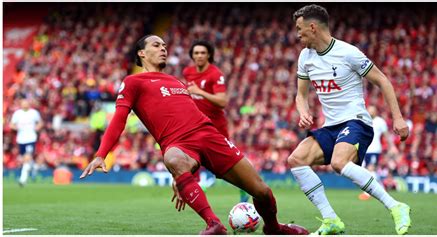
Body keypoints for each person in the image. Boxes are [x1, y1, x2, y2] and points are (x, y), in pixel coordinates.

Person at [79, 34, 308, 235]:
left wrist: (181, 179)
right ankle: (214, 224)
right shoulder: (132, 82)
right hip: (178, 143)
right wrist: (101, 153)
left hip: (209, 135)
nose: (163, 49)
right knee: (173, 159)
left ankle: (274, 228)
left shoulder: (176, 80)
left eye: (165, 46)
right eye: (157, 45)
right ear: (141, 53)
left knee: (262, 191)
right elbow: (119, 118)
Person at [287, 4, 411, 235]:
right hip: (331, 126)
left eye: (300, 28)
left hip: (357, 122)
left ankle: (396, 206)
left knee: (339, 162)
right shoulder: (305, 56)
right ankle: (331, 219)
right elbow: (300, 95)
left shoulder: (348, 53)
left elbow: (383, 80)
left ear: (313, 27)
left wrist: (398, 118)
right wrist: (303, 111)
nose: (297, 34)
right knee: (296, 159)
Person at [183, 40, 249, 203]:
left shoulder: (215, 74)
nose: (199, 56)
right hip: (196, 124)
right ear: (191, 55)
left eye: (202, 53)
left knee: (225, 166)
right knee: (191, 153)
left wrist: (199, 91)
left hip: (215, 125)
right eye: (196, 53)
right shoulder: (188, 72)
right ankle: (195, 187)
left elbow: (222, 101)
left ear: (209, 55)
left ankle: (245, 185)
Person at [359, 105, 395, 200]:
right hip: (365, 149)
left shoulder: (380, 121)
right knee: (365, 170)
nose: (370, 112)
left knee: (371, 169)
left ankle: (367, 193)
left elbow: (386, 135)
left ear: (376, 112)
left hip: (374, 149)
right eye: (369, 110)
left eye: (372, 111)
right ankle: (382, 188)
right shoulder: (364, 120)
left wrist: (392, 146)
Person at [10, 99, 43, 187]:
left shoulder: (34, 113)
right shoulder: (17, 113)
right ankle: (34, 167)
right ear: (21, 104)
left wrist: (37, 128)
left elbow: (40, 123)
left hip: (31, 138)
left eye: (26, 103)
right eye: (23, 103)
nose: (25, 105)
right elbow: (12, 124)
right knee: (25, 159)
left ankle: (22, 180)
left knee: (27, 157)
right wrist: (17, 128)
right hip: (21, 139)